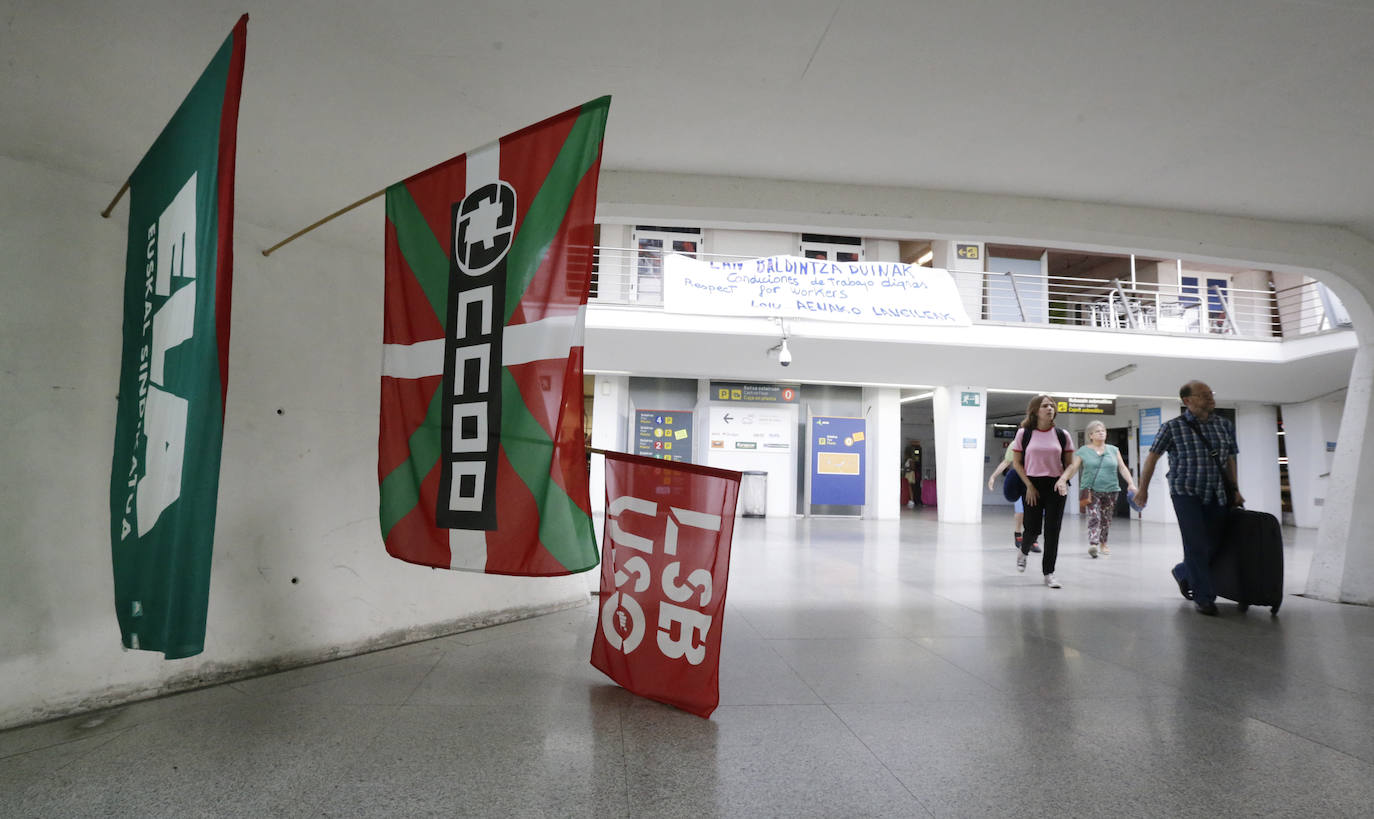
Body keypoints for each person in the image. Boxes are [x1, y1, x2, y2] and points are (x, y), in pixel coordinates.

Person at [1134, 380, 1243, 616]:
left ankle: (1183, 572)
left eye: (1210, 393)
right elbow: (1152, 458)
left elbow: (1230, 458)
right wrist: (1143, 489)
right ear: (1188, 400)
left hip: (1217, 491)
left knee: (1215, 543)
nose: (1210, 398)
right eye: (1204, 394)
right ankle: (1204, 598)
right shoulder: (1172, 427)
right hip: (1185, 492)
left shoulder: (1224, 425)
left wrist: (1235, 489)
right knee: (1196, 544)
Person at [1011, 395, 1074, 588]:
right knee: (1032, 529)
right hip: (1032, 484)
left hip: (1056, 485)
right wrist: (1029, 486)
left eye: (1052, 406)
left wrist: (1063, 479)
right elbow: (1017, 463)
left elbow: (1071, 465)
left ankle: (1049, 573)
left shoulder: (1062, 435)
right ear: (1036, 411)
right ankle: (1023, 551)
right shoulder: (1024, 434)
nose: (1050, 409)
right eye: (1045, 406)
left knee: (1053, 531)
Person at [1057, 420, 1136, 558]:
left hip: (1111, 489)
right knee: (1094, 516)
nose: (1101, 433)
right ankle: (1093, 543)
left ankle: (1103, 543)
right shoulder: (1083, 451)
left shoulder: (1113, 450)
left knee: (1106, 518)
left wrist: (1131, 483)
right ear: (1091, 435)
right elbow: (1073, 467)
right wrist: (1063, 479)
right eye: (1097, 431)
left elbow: (1122, 468)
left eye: (1103, 431)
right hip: (1091, 490)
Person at [987, 442, 1040, 552]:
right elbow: (1006, 462)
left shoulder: (1040, 442)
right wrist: (993, 476)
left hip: (1035, 480)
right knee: (1020, 511)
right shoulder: (1016, 444)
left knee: (1035, 512)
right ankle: (1018, 534)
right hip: (1019, 481)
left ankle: (1033, 539)